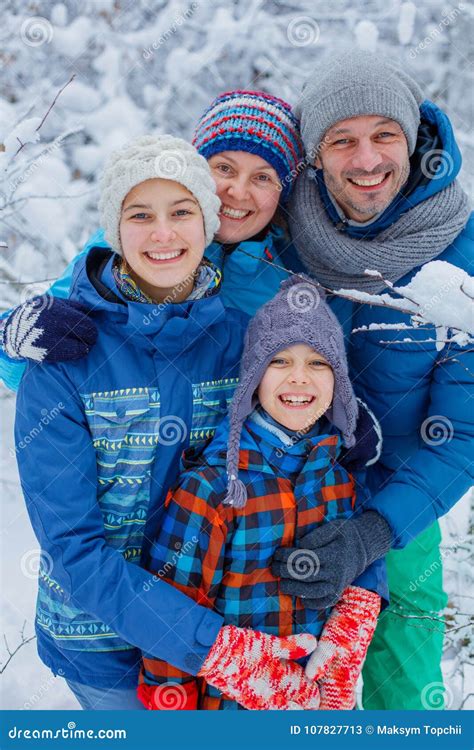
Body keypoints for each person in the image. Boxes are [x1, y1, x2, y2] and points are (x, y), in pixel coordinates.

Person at [13, 134, 321, 711]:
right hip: (105, 647)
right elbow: (73, 548)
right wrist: (212, 647)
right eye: (140, 215)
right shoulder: (64, 361)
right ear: (115, 228)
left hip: (228, 625)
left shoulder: (243, 344)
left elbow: (304, 478)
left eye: (182, 212)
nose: (163, 233)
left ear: (208, 224)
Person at [272, 50, 473, 710]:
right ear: (315, 154)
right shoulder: (278, 232)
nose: (366, 160)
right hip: (278, 513)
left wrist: (375, 530)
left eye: (384, 134)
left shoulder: (461, 249)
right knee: (284, 699)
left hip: (401, 516)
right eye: (342, 140)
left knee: (408, 704)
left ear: (413, 141)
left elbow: (464, 431)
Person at [137, 276, 384, 711]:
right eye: (280, 361)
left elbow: (361, 567)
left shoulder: (342, 481)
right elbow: (169, 613)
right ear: (253, 377)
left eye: (319, 364)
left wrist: (347, 643)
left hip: (315, 705)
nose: (299, 379)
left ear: (339, 382)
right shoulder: (214, 487)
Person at [0, 90, 305, 387]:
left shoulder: (285, 281)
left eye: (262, 177)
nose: (238, 191)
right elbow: (28, 374)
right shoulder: (126, 247)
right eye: (224, 168)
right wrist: (13, 342)